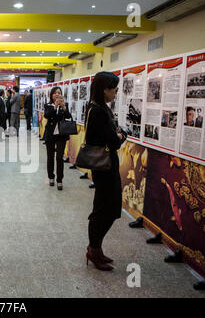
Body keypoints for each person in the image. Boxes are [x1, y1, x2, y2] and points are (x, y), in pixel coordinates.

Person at [84, 71, 127, 271]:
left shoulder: (95, 107)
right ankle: (94, 249)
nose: (116, 93)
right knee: (105, 209)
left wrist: (115, 134)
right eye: (114, 89)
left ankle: (96, 248)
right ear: (105, 89)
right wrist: (121, 136)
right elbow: (113, 142)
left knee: (105, 208)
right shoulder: (100, 111)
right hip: (105, 166)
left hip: (103, 166)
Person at [43, 87, 71, 190]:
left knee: (59, 157)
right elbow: (46, 116)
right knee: (50, 156)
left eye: (59, 93)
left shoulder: (65, 105)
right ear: (51, 95)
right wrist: (55, 107)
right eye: (55, 93)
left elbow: (69, 116)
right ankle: (51, 177)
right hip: (50, 134)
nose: (57, 95)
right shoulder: (48, 105)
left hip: (61, 135)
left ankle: (59, 180)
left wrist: (63, 107)